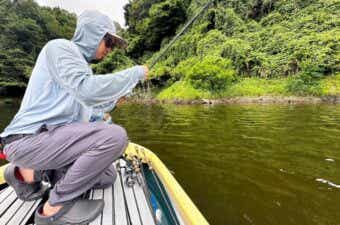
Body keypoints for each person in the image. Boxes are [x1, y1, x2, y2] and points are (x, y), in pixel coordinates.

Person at [0, 10, 148, 225]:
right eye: (108, 43)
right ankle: (54, 209)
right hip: (26, 140)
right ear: (93, 35)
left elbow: (87, 113)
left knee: (107, 176)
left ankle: (23, 174)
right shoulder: (61, 48)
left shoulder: (80, 69)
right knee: (116, 137)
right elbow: (87, 90)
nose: (110, 49)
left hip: (44, 143)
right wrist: (134, 74)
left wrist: (112, 103)